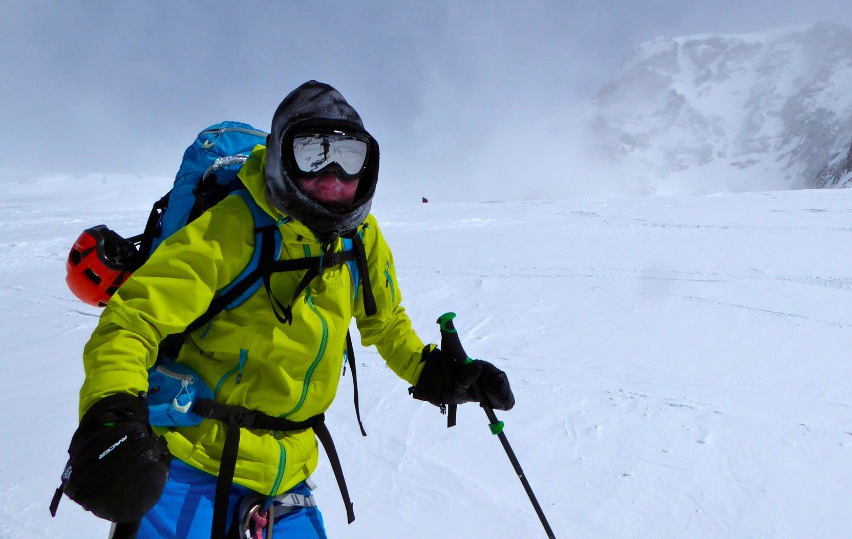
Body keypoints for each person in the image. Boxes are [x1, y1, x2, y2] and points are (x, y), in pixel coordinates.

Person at [58, 80, 514, 539]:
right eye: (312, 155)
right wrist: (111, 409)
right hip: (190, 464)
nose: (333, 177)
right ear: (281, 157)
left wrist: (432, 370)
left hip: (287, 479)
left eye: (350, 158)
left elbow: (386, 322)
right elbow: (133, 320)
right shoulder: (231, 227)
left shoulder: (361, 238)